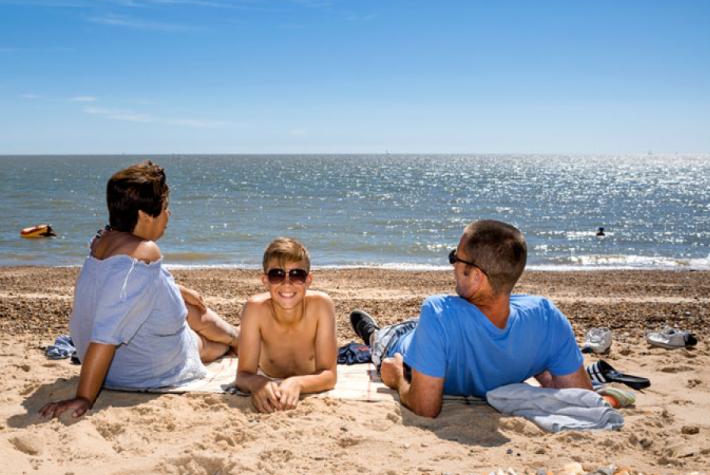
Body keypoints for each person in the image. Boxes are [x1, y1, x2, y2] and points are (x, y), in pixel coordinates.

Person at [40, 161, 238, 419]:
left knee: (186, 303)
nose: (169, 215)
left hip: (114, 362)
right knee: (208, 342)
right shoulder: (143, 253)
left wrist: (177, 288)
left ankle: (236, 337)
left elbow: (117, 289)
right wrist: (84, 398)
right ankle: (236, 340)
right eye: (165, 208)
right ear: (145, 215)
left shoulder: (102, 241)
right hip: (145, 367)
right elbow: (107, 332)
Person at [350, 219, 591, 418]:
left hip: (399, 345)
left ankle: (371, 332)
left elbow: (425, 407)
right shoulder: (546, 317)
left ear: (476, 277)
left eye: (456, 257)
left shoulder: (437, 312)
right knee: (421, 323)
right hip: (433, 329)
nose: (452, 264)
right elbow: (582, 397)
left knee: (381, 338)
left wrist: (397, 378)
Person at [234, 237, 337, 412]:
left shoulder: (322, 306)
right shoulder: (255, 309)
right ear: (265, 280)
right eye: (277, 275)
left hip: (301, 371)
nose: (287, 284)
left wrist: (298, 383)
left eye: (297, 275)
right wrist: (258, 383)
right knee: (227, 340)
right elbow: (243, 376)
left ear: (308, 280)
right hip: (267, 370)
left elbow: (329, 375)